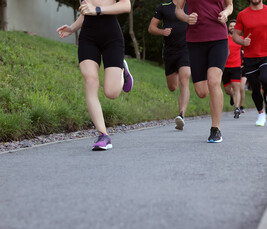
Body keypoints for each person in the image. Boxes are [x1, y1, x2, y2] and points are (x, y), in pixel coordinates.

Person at [56, 0, 133, 150]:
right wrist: (72, 28)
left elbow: (126, 6)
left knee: (111, 93)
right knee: (90, 80)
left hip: (111, 37)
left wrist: (97, 9)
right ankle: (103, 135)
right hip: (88, 38)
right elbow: (86, 13)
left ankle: (122, 71)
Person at [175, 0, 233, 143]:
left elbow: (229, 5)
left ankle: (215, 128)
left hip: (218, 38)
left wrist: (225, 13)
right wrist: (186, 18)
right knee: (202, 92)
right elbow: (178, 10)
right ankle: (214, 94)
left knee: (213, 81)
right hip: (195, 41)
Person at [233, 0, 267, 126]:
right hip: (250, 56)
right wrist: (242, 42)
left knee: (266, 78)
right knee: (255, 87)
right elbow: (235, 35)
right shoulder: (242, 14)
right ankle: (261, 114)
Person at [148, 0, 191, 130]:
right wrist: (162, 32)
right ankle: (177, 72)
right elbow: (151, 28)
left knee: (184, 79)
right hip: (170, 51)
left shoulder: (191, 5)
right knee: (172, 87)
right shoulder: (164, 7)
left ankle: (181, 115)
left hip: (187, 49)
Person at [222, 19, 242, 119]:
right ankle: (231, 96)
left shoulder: (240, 38)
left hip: (236, 67)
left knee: (236, 88)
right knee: (227, 90)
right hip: (224, 67)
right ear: (228, 27)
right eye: (230, 26)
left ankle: (237, 108)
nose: (232, 27)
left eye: (235, 26)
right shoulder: (224, 38)